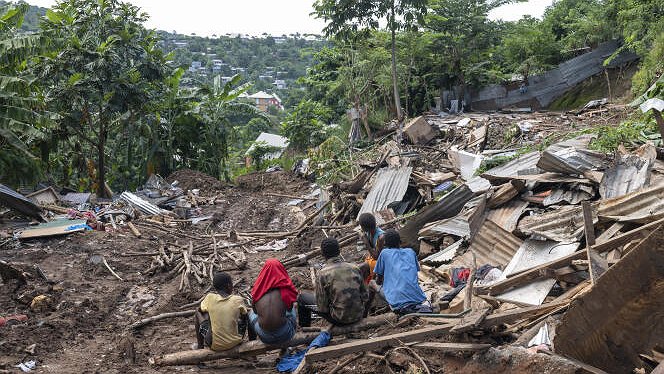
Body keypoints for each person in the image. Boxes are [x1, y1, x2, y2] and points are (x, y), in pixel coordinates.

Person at [298, 237, 368, 326]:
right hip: (358, 315)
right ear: (339, 251)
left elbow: (322, 307)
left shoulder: (322, 274)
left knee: (302, 298)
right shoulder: (354, 268)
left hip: (339, 319)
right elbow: (365, 296)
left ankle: (306, 330)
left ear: (323, 254)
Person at [372, 229, 432, 315]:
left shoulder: (384, 253)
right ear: (399, 241)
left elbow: (378, 281)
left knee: (371, 283)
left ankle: (366, 313)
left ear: (385, 244)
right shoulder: (410, 252)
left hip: (397, 302)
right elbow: (414, 271)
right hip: (418, 299)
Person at [248, 259, 298, 345]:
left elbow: (255, 312)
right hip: (284, 334)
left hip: (264, 336)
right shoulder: (284, 291)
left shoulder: (258, 291)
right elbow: (289, 309)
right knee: (292, 307)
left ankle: (251, 344)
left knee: (250, 314)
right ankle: (285, 347)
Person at [195, 272, 248, 351]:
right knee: (244, 317)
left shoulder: (210, 297)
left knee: (197, 312)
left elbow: (200, 310)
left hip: (214, 345)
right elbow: (245, 317)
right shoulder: (237, 299)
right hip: (235, 342)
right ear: (228, 285)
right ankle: (249, 341)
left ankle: (200, 347)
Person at [358, 213, 385, 282]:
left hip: (384, 262)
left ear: (364, 228)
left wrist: (366, 242)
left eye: (361, 226)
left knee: (361, 267)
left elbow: (376, 257)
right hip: (377, 258)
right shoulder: (369, 232)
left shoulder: (381, 237)